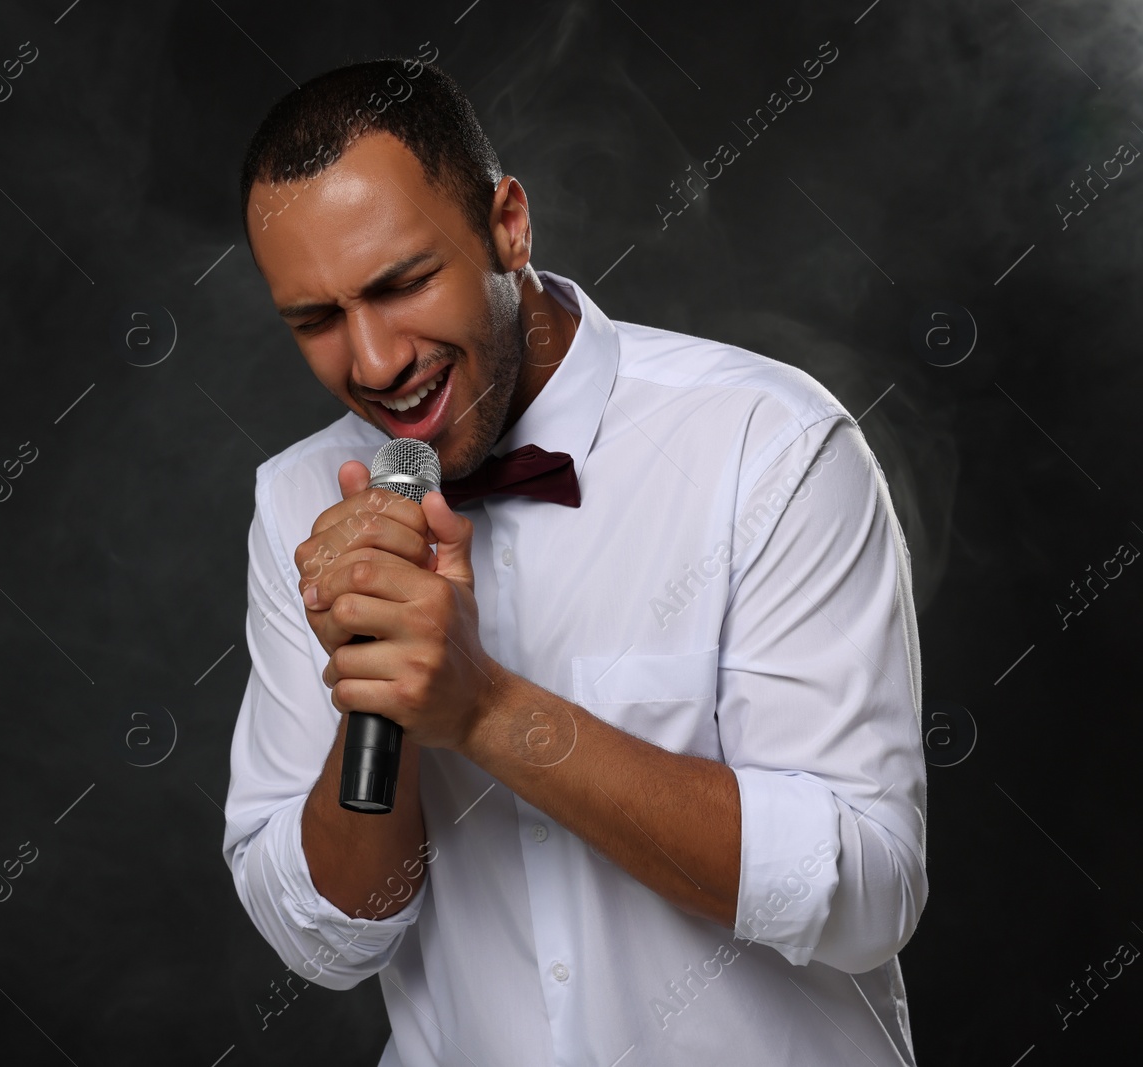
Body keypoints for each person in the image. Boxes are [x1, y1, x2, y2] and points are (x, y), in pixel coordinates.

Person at [221, 56, 927, 1066]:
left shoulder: (763, 445)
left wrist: (484, 708)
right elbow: (325, 938)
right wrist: (376, 698)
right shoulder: (301, 498)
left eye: (402, 283)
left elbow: (866, 890)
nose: (372, 362)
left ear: (508, 224)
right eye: (318, 320)